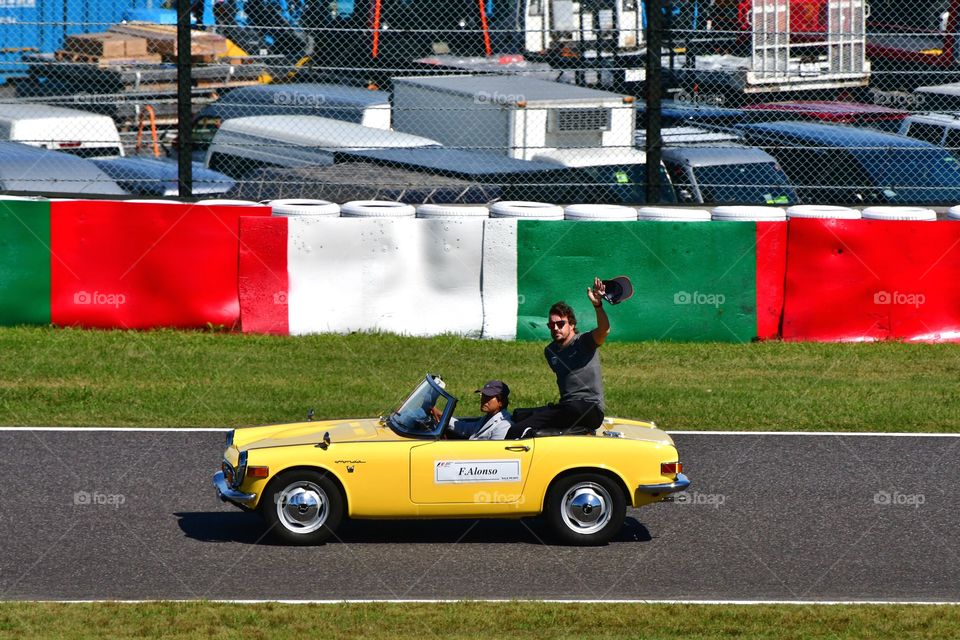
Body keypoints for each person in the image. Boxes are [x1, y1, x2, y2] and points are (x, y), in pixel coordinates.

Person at [509, 277, 610, 437]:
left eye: (560, 324)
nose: (555, 328)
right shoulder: (550, 352)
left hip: (589, 409)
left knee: (569, 409)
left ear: (572, 324)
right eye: (551, 325)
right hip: (566, 407)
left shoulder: (584, 342)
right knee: (519, 415)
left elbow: (604, 330)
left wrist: (597, 305)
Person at [444, 380, 513, 440]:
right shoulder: (487, 418)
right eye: (483, 395)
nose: (483, 400)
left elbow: (494, 451)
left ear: (501, 402)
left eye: (489, 397)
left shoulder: (503, 425)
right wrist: (442, 416)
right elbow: (465, 428)